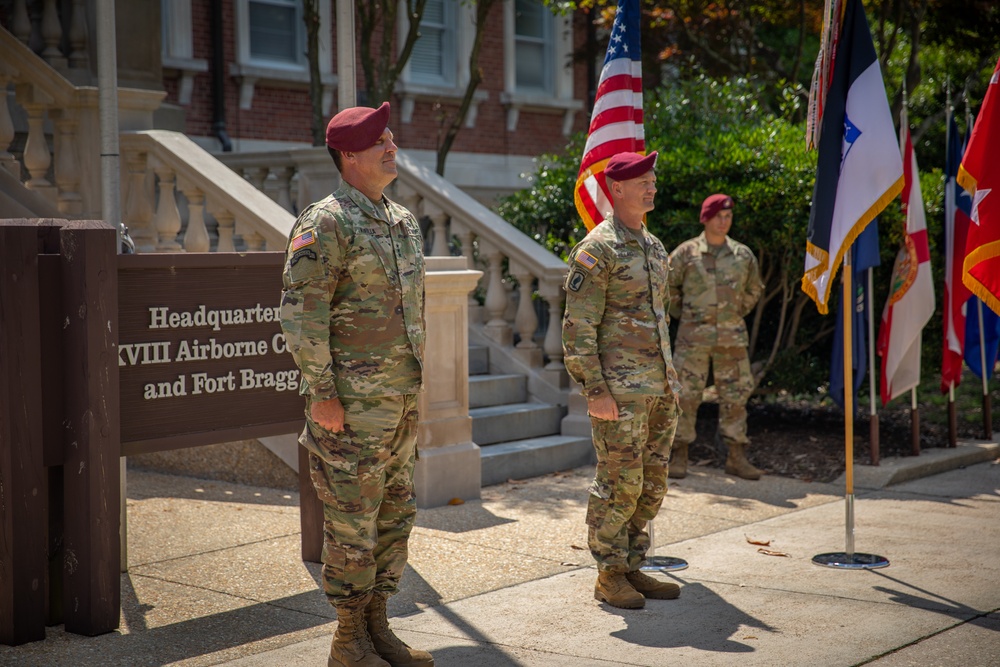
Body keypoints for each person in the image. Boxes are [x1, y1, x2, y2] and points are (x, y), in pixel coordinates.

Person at [280, 102, 433, 667]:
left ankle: (378, 628)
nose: (392, 148)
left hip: (398, 404)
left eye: (392, 138)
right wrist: (322, 393)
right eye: (379, 142)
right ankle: (347, 640)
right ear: (348, 154)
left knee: (394, 517)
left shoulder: (402, 221)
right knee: (351, 525)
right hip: (349, 408)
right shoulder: (326, 222)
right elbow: (301, 314)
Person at [562, 151, 683, 610]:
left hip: (657, 389)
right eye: (642, 181)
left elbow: (660, 320)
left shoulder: (654, 247)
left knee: (652, 483)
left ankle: (633, 564)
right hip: (619, 392)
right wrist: (595, 390)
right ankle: (609, 574)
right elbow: (578, 327)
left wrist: (671, 381)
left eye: (653, 179)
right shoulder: (598, 249)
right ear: (617, 189)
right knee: (619, 482)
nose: (652, 187)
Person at [667, 193, 764, 481]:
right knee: (684, 395)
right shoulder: (686, 253)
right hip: (692, 338)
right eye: (719, 216)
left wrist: (731, 315)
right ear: (706, 218)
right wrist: (687, 315)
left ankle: (736, 457)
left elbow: (753, 291)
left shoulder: (742, 255)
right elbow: (667, 290)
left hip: (731, 338)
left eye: (728, 216)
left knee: (735, 397)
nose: (724, 221)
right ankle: (679, 454)